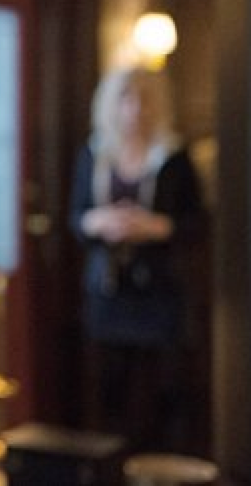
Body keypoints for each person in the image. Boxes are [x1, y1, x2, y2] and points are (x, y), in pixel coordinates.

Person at [69, 65, 206, 454]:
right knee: (110, 389)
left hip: (158, 289)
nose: (134, 109)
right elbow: (76, 218)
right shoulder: (95, 154)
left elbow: (196, 223)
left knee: (164, 389)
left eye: (144, 100)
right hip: (108, 288)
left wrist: (155, 227)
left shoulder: (173, 156)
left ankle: (159, 467)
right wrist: (102, 222)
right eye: (126, 99)